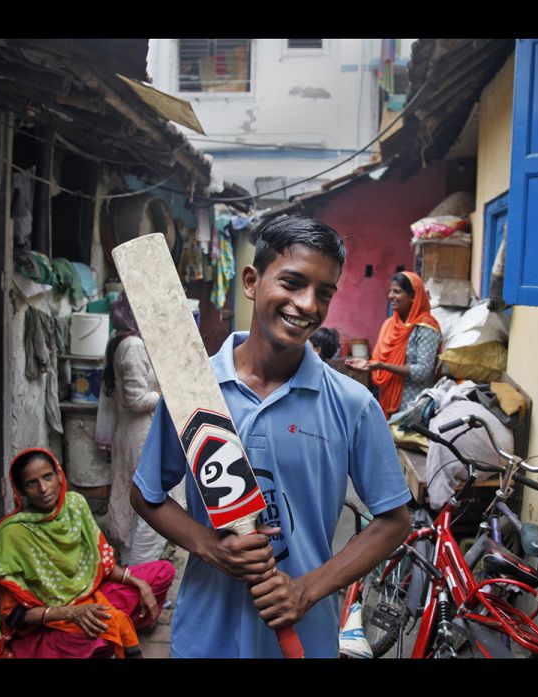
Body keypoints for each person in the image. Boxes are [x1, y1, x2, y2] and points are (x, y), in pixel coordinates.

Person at [131, 214, 411, 658]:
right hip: (206, 636)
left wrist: (307, 589)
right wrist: (209, 546)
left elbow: (394, 520)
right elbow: (146, 494)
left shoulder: (352, 404)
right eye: (293, 282)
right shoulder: (192, 389)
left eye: (324, 292)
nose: (307, 305)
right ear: (251, 280)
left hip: (303, 639)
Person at [0, 448, 175, 658]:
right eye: (32, 483)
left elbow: (103, 564)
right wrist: (71, 614)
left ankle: (109, 631)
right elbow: (14, 615)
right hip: (51, 621)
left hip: (91, 597)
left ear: (59, 475)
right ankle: (61, 645)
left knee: (162, 572)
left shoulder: (75, 505)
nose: (44, 488)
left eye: (47, 477)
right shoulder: (11, 535)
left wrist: (139, 583)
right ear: (22, 491)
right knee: (95, 632)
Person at [101, 292, 174, 565]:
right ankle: (140, 570)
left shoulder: (128, 340)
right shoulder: (132, 345)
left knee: (139, 503)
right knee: (149, 502)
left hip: (137, 431)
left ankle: (136, 568)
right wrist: (169, 393)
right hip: (141, 432)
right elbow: (136, 400)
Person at [346, 271, 441, 418]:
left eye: (397, 292)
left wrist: (382, 366)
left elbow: (423, 371)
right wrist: (368, 364)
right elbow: (379, 361)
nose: (390, 296)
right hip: (386, 396)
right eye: (390, 291)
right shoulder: (389, 325)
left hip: (412, 404)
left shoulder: (426, 328)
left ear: (413, 296)